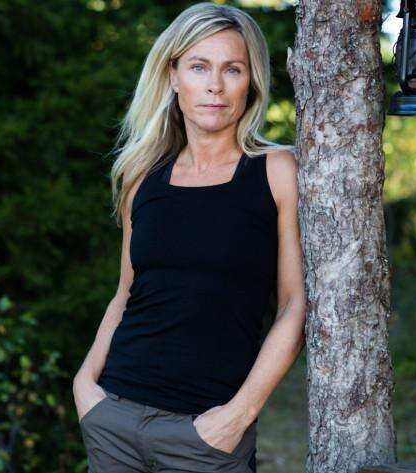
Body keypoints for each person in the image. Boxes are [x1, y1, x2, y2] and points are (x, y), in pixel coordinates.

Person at [73, 2, 306, 472]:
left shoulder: (277, 171)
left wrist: (238, 416)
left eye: (232, 69)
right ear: (173, 75)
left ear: (251, 82)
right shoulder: (142, 178)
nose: (215, 85)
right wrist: (85, 386)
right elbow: (126, 293)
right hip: (114, 418)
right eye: (199, 67)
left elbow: (294, 305)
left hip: (207, 434)